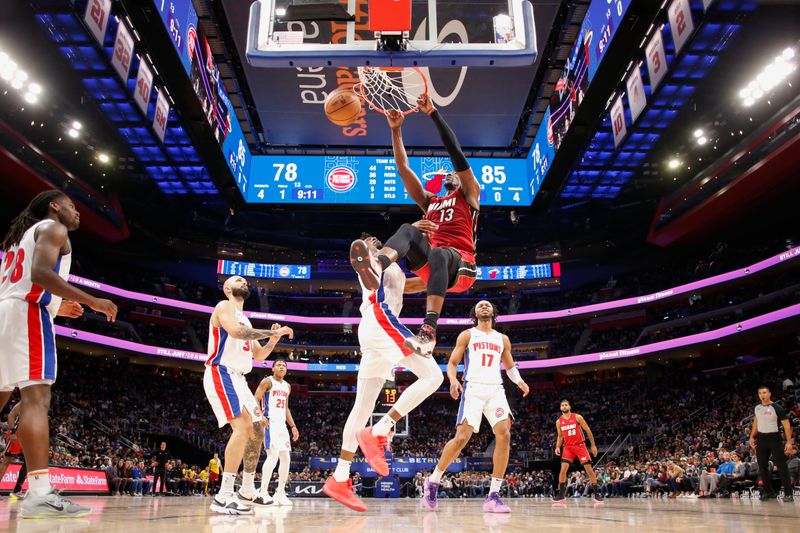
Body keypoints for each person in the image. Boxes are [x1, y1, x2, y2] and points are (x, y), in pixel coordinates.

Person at [0, 190, 117, 518]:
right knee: (36, 400)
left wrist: (56, 305)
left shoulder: (19, 237)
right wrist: (93, 300)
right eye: (72, 206)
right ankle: (39, 493)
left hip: (5, 313)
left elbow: (20, 283)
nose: (77, 213)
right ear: (54, 206)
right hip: (26, 315)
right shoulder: (54, 228)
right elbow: (40, 276)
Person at [349, 96, 480, 357]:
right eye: (448, 174)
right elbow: (402, 168)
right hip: (435, 265)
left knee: (440, 252)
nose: (450, 173)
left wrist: (432, 112)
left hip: (463, 266)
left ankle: (429, 330)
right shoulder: (430, 202)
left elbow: (456, 152)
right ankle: (378, 265)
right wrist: (396, 130)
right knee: (410, 228)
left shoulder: (469, 195)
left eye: (453, 173)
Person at [324, 234, 442, 512]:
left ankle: (339, 477)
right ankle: (380, 429)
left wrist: (443, 279)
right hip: (380, 319)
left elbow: (415, 285)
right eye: (368, 240)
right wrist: (412, 228)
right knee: (433, 377)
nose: (374, 238)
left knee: (361, 408)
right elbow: (400, 239)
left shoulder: (395, 270)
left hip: (372, 334)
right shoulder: (379, 260)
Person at [422, 301, 529, 513]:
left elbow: (509, 366)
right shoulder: (467, 335)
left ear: (494, 312)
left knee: (505, 435)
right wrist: (453, 381)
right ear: (475, 313)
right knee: (462, 438)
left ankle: (493, 496)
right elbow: (452, 364)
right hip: (473, 389)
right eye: (480, 305)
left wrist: (519, 381)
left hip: (496, 390)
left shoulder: (502, 339)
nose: (484, 307)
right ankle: (433, 481)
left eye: (488, 305)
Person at [204, 275, 293, 514]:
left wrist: (273, 340)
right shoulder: (224, 307)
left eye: (245, 281)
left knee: (257, 429)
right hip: (221, 371)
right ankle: (223, 495)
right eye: (237, 280)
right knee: (243, 426)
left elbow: (261, 356)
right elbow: (235, 332)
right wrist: (268, 331)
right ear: (226, 288)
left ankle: (246, 489)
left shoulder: (246, 319)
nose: (243, 282)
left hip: (240, 378)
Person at [254, 358, 300, 506]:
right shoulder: (267, 381)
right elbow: (255, 399)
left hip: (282, 425)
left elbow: (286, 408)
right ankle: (263, 492)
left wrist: (293, 426)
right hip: (270, 423)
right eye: (278, 365)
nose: (281, 367)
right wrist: (260, 416)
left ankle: (280, 493)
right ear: (272, 368)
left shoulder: (287, 386)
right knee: (272, 457)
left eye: (284, 365)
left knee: (286, 458)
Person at [552, 399, 603, 504]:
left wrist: (593, 445)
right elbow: (560, 436)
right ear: (560, 408)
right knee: (563, 469)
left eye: (566, 405)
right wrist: (557, 447)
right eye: (562, 405)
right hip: (568, 447)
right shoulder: (559, 421)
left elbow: (588, 430)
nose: (564, 406)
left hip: (580, 446)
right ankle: (561, 495)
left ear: (569, 406)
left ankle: (597, 494)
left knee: (588, 469)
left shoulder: (577, 417)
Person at [749, 384, 794, 501]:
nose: (762, 395)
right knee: (762, 466)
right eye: (760, 393)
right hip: (761, 439)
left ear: (769, 394)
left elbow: (787, 425)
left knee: (781, 465)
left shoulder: (777, 408)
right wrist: (751, 436)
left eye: (764, 393)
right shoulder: (757, 408)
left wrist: (789, 442)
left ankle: (788, 493)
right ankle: (769, 491)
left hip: (774, 438)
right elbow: (756, 422)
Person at [0, 402, 24, 496]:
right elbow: (11, 415)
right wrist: (12, 432)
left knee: (28, 463)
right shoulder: (24, 401)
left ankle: (17, 490)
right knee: (6, 462)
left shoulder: (38, 405)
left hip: (26, 437)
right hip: (16, 435)